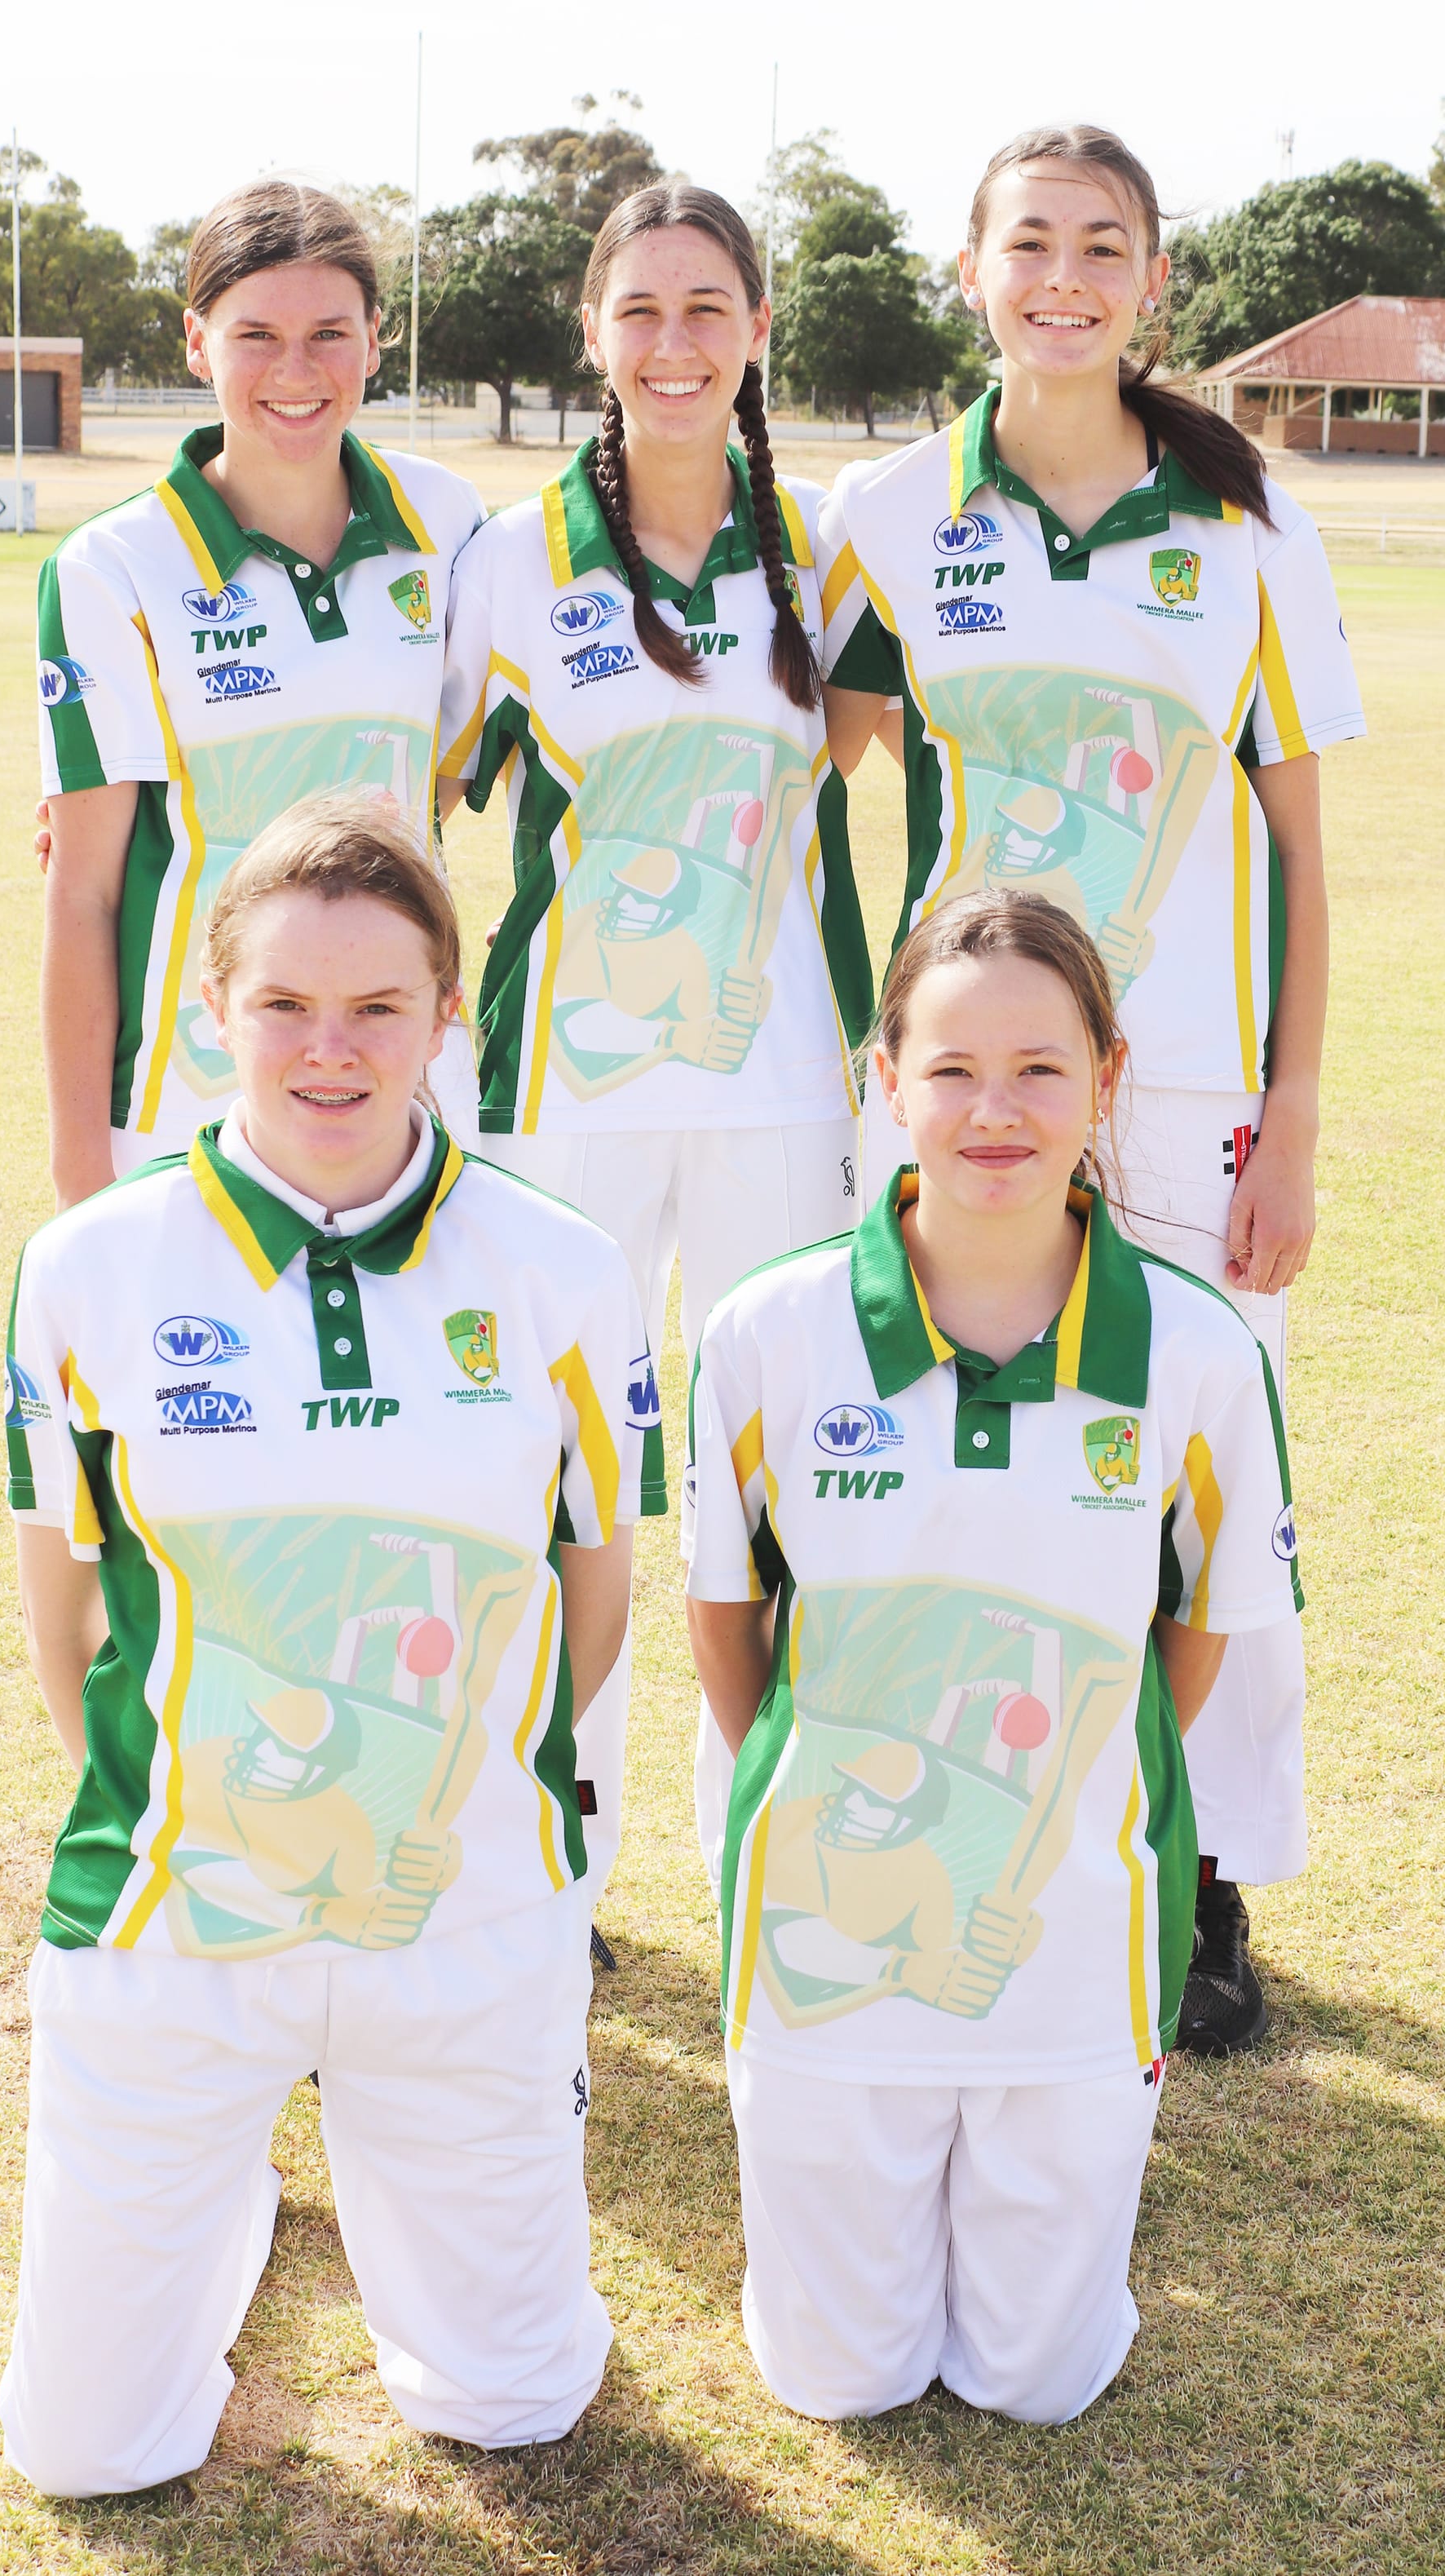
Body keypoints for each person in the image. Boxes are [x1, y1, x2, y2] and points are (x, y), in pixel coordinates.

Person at [0, 795, 663, 2494]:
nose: (330, 1048)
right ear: (212, 1008)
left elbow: (591, 1598)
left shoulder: (565, 1272)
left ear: (454, 1014)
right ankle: (200, 2206)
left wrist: (444, 1810)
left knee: (509, 2405)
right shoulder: (89, 1270)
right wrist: (218, 1817)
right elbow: (62, 1608)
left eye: (380, 1006)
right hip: (175, 1913)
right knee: (85, 2454)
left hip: (467, 1910)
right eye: (285, 1003)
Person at [815, 125, 1363, 2052]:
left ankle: (1202, 1883)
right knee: (965, 1468)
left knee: (1202, 1483)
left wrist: (1288, 1116)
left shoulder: (1245, 523)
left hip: (1188, 1088)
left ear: (1151, 281)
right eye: (1027, 242)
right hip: (966, 1085)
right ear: (970, 269)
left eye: (1100, 248)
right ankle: (984, 1848)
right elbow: (769, 751)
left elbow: (1302, 850)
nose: (1061, 277)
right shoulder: (882, 515)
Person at [683, 889, 1301, 2425]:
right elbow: (723, 1616)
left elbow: (1192, 1637)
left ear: (1110, 1073)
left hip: (1079, 1932)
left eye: (1041, 1065)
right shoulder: (768, 1333)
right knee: (844, 2378)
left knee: (1036, 2380)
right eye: (952, 1068)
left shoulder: (1201, 1352)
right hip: (831, 1931)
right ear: (883, 1075)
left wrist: (1080, 1794)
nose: (995, 1110)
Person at [436, 181, 872, 1883]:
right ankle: (562, 1853)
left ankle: (768, 1849)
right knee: (564, 1476)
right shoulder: (509, 556)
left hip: (779, 1081)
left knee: (779, 1470)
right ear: (594, 333)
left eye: (709, 309)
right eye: (641, 310)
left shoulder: (827, 538)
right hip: (564, 1093)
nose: (675, 344)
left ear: (758, 330)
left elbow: (876, 750)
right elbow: (411, 792)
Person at [36, 178, 482, 1209]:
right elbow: (83, 890)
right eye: (255, 335)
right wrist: (78, 1169)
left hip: (404, 1080)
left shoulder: (446, 516)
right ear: (197, 343)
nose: (295, 370)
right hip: (189, 1094)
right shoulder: (113, 566)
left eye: (330, 332)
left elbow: (452, 766)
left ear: (377, 338)